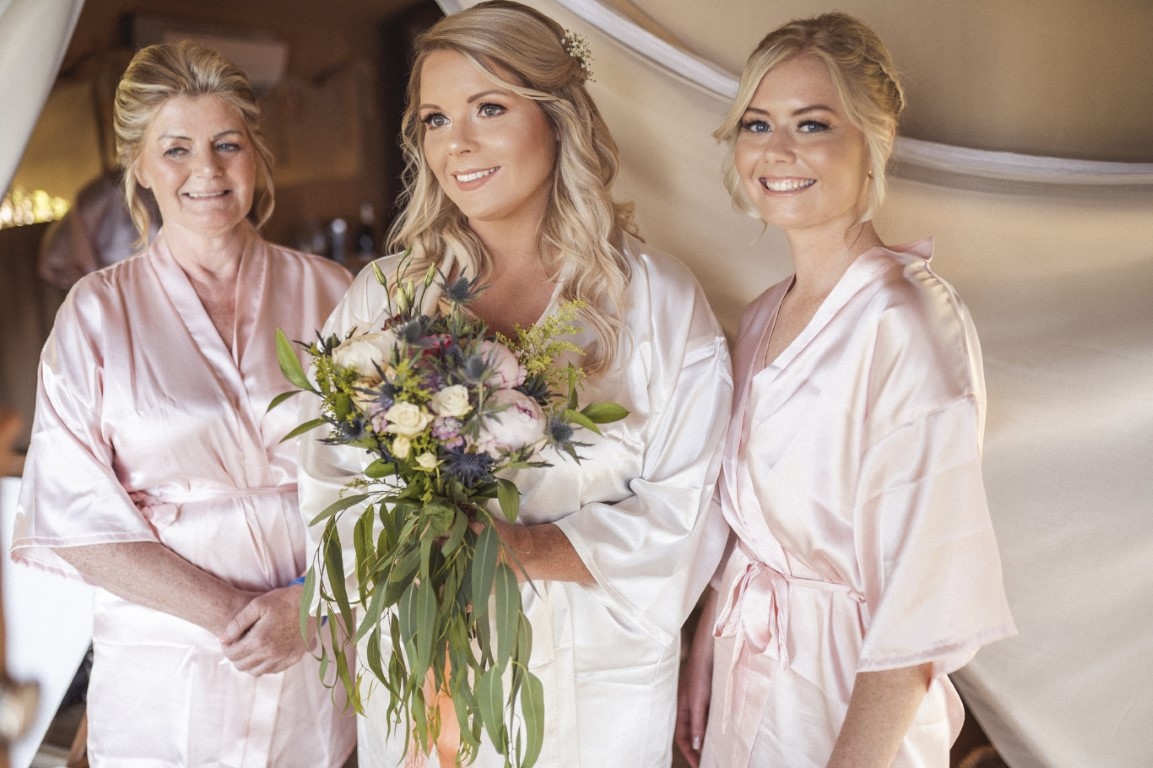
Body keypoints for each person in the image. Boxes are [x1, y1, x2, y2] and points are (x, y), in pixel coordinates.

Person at [297, 2, 733, 766]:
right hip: (424, 678)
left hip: (593, 695)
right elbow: (326, 486)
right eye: (435, 119)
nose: (456, 143)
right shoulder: (384, 299)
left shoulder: (657, 303)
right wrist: (421, 542)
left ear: (557, 118)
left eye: (488, 108)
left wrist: (525, 548)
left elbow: (690, 513)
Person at [674, 13, 1016, 768]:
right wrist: (705, 649)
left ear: (876, 140)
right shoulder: (763, 314)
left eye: (812, 124)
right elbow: (753, 527)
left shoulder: (908, 324)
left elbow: (923, 593)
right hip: (747, 675)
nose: (777, 149)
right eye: (757, 123)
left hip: (848, 703)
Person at [11, 41, 356, 766]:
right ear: (138, 166)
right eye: (176, 149)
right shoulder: (97, 313)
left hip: (315, 644)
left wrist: (312, 608)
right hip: (167, 661)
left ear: (255, 154)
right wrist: (237, 618)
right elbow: (73, 519)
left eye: (227, 144)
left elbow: (390, 481)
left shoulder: (335, 293)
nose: (207, 171)